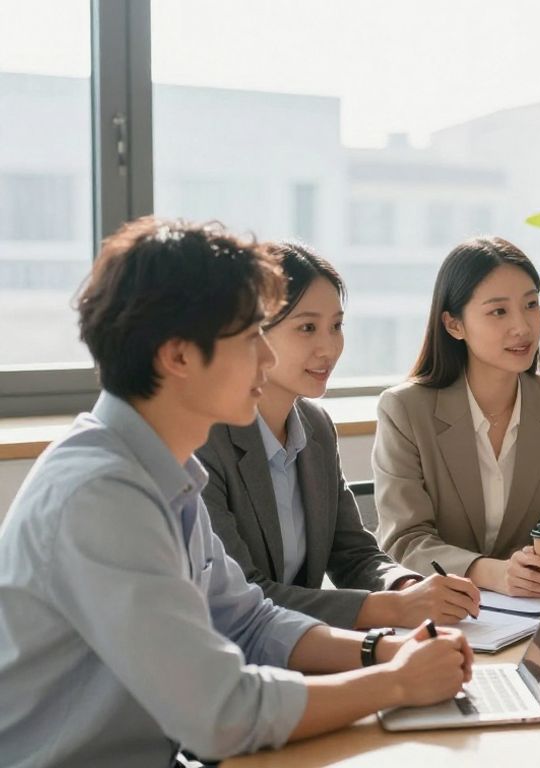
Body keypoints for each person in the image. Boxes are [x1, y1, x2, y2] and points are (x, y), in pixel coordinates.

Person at [0, 218, 473, 768]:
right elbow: (221, 714)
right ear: (178, 356)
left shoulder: (163, 473)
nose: (267, 360)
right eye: (251, 339)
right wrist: (395, 683)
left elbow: (250, 620)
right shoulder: (101, 495)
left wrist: (386, 650)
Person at [197, 242, 480, 629]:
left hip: (304, 646)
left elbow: (353, 552)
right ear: (254, 333)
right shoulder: (205, 439)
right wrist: (393, 609)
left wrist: (407, 586)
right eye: (307, 328)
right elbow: (243, 596)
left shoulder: (315, 426)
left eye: (336, 326)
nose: (329, 347)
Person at [375, 237, 540, 598]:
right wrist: (492, 572)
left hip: (533, 605)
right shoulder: (405, 409)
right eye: (498, 312)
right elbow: (404, 541)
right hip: (442, 607)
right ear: (454, 325)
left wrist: (535, 574)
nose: (522, 327)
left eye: (531, 304)